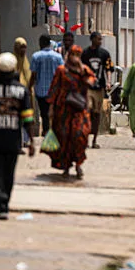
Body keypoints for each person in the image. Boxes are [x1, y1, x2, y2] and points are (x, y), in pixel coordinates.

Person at [0, 52, 35, 219]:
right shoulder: (22, 91)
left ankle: (0, 203)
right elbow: (28, 117)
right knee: (8, 173)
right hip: (12, 139)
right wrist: (31, 141)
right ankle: (4, 204)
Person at [45, 45, 94, 178]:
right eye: (73, 54)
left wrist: (81, 72)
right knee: (64, 137)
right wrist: (51, 107)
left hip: (80, 109)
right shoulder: (61, 70)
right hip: (63, 110)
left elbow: (91, 82)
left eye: (77, 55)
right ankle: (65, 166)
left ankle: (78, 164)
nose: (75, 57)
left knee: (80, 135)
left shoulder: (84, 70)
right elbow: (54, 88)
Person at [29, 34, 63, 138]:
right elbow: (62, 72)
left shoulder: (36, 56)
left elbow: (33, 75)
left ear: (42, 43)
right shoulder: (58, 56)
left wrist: (29, 86)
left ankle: (46, 131)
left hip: (41, 90)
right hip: (55, 90)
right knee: (54, 113)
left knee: (44, 114)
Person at [82, 32, 112, 149]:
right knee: (87, 110)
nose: (100, 41)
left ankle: (94, 139)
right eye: (98, 39)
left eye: (101, 39)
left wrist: (109, 82)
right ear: (92, 39)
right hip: (88, 87)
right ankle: (85, 137)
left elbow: (108, 68)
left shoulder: (104, 54)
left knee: (96, 114)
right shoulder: (85, 53)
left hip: (100, 87)